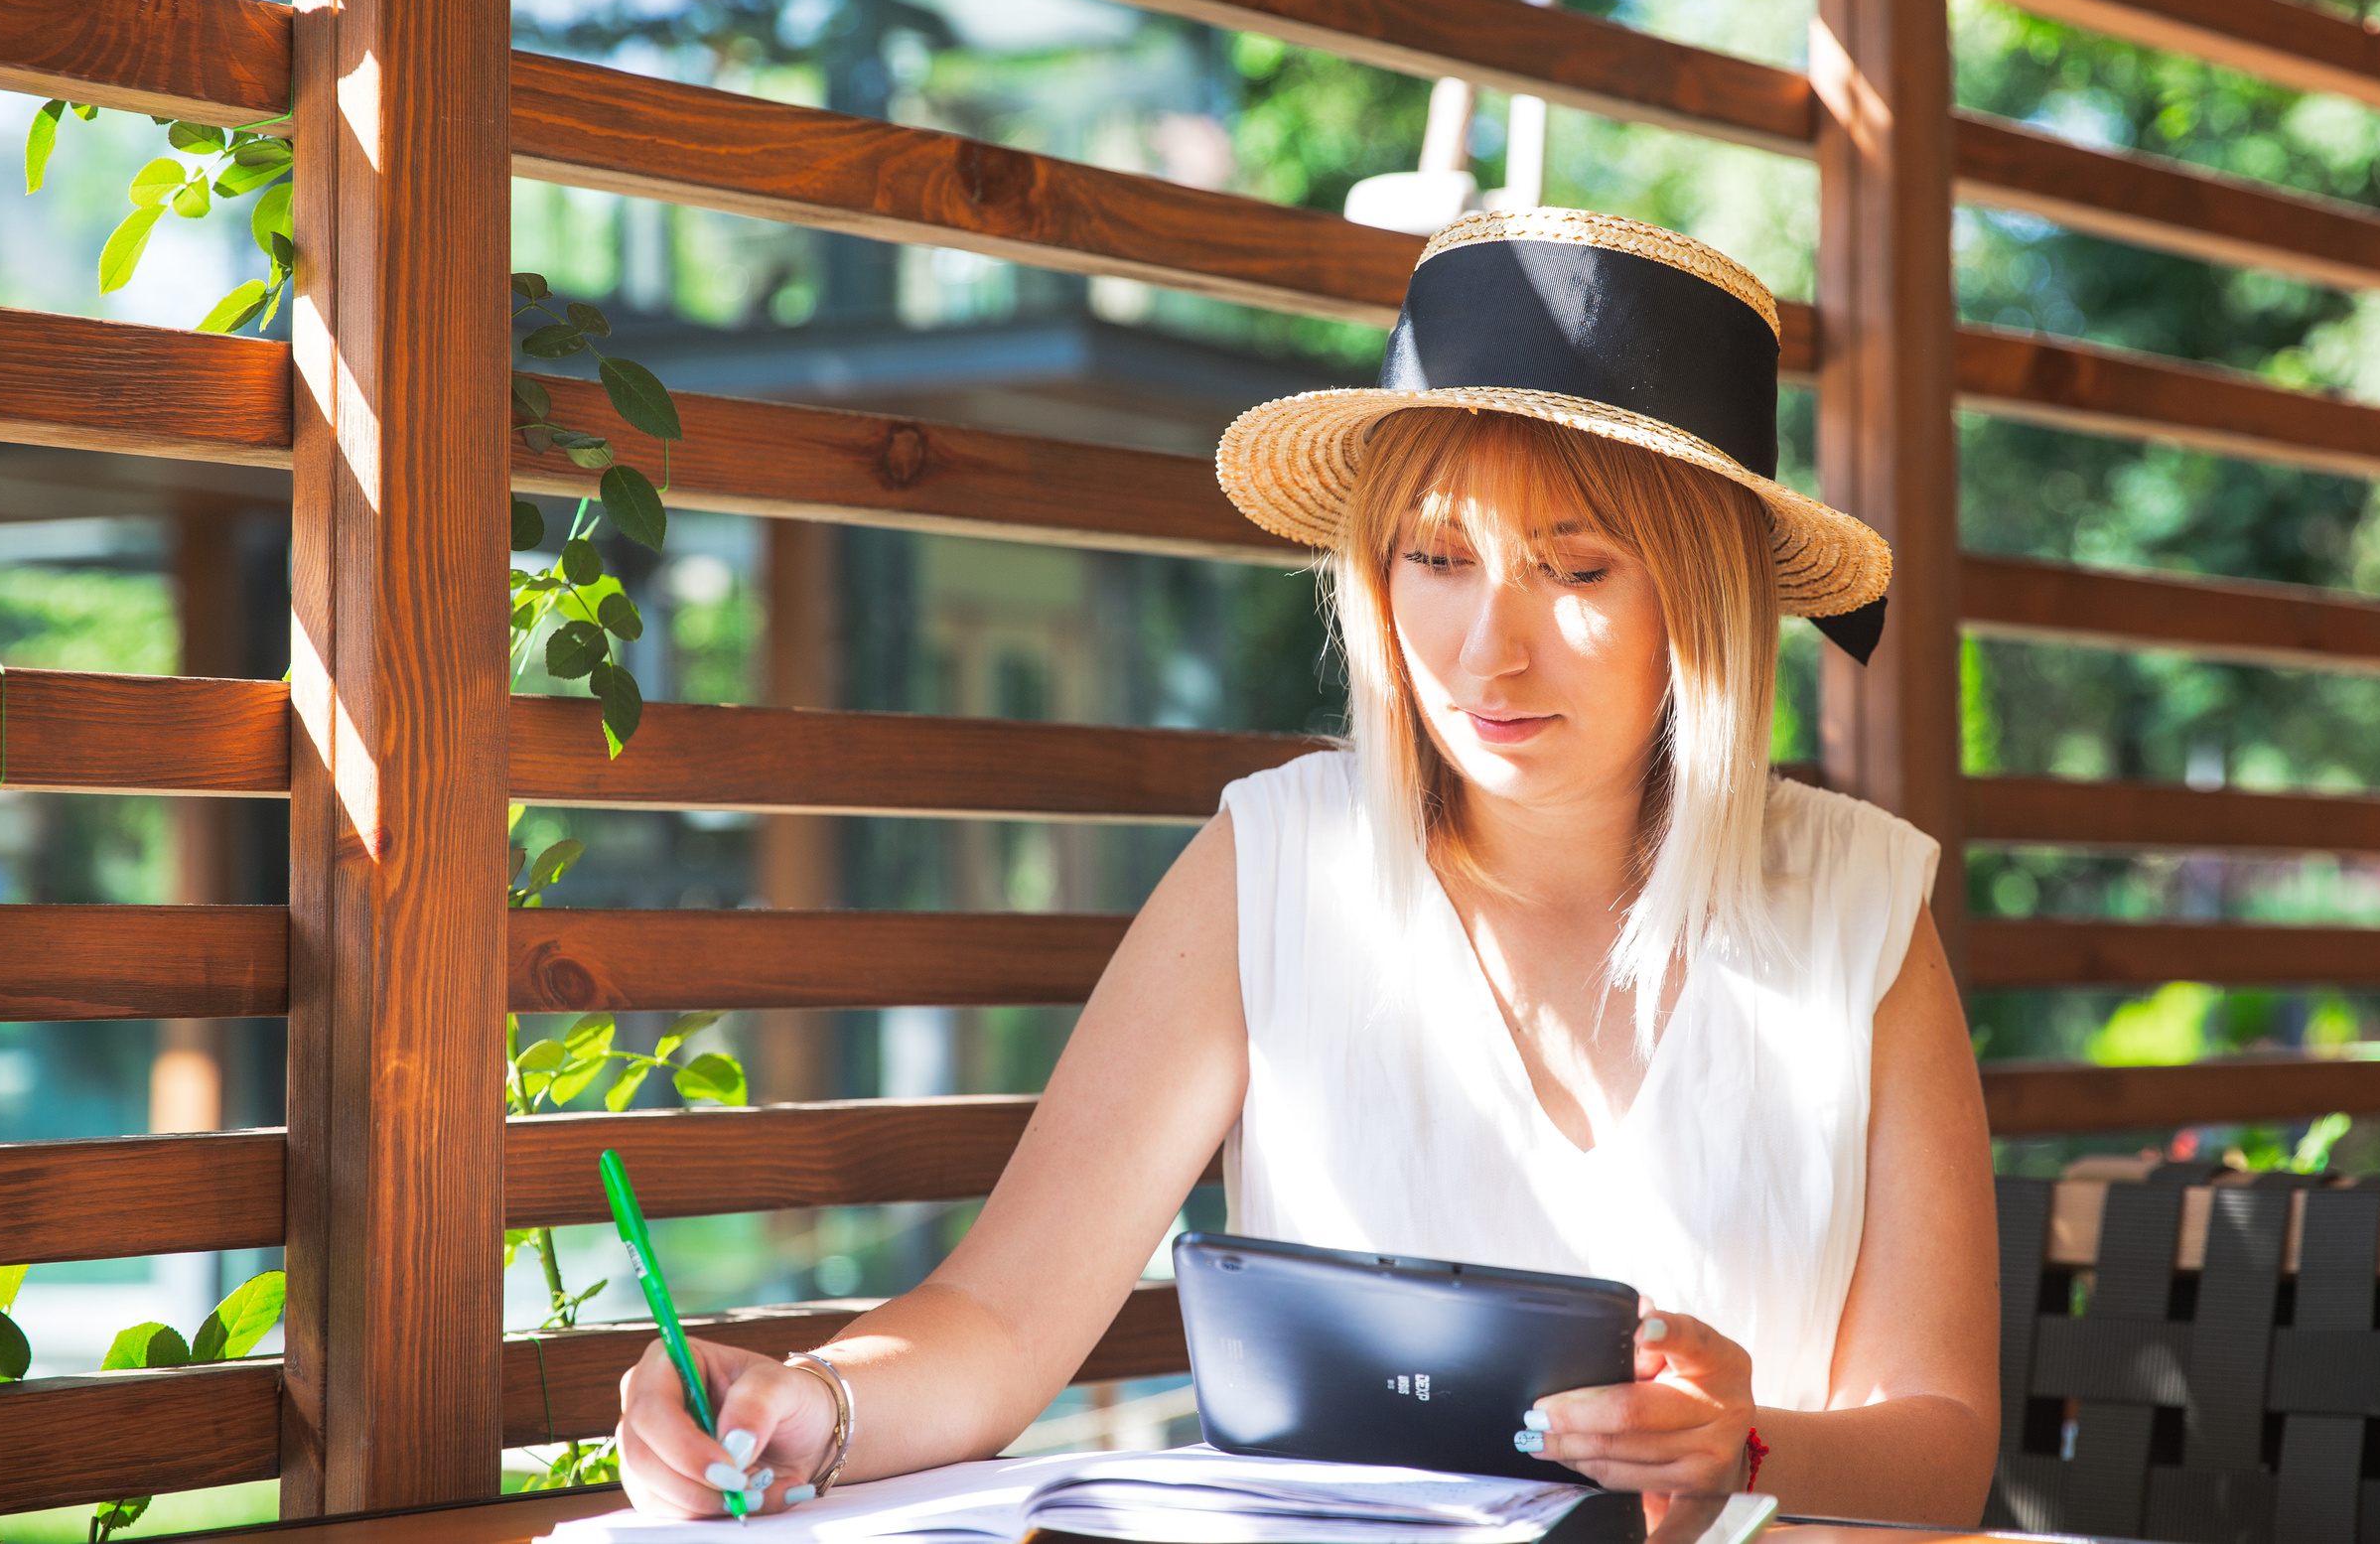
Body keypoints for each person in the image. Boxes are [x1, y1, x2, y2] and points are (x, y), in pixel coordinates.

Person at [615, 209, 1998, 1530]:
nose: (1482, 654)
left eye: (1575, 572)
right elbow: (1000, 1318)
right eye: (1436, 559)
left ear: (1707, 601)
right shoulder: (1272, 866)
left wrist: (1750, 1449)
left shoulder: (1859, 915)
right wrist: (816, 1404)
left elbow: (1939, 1442)